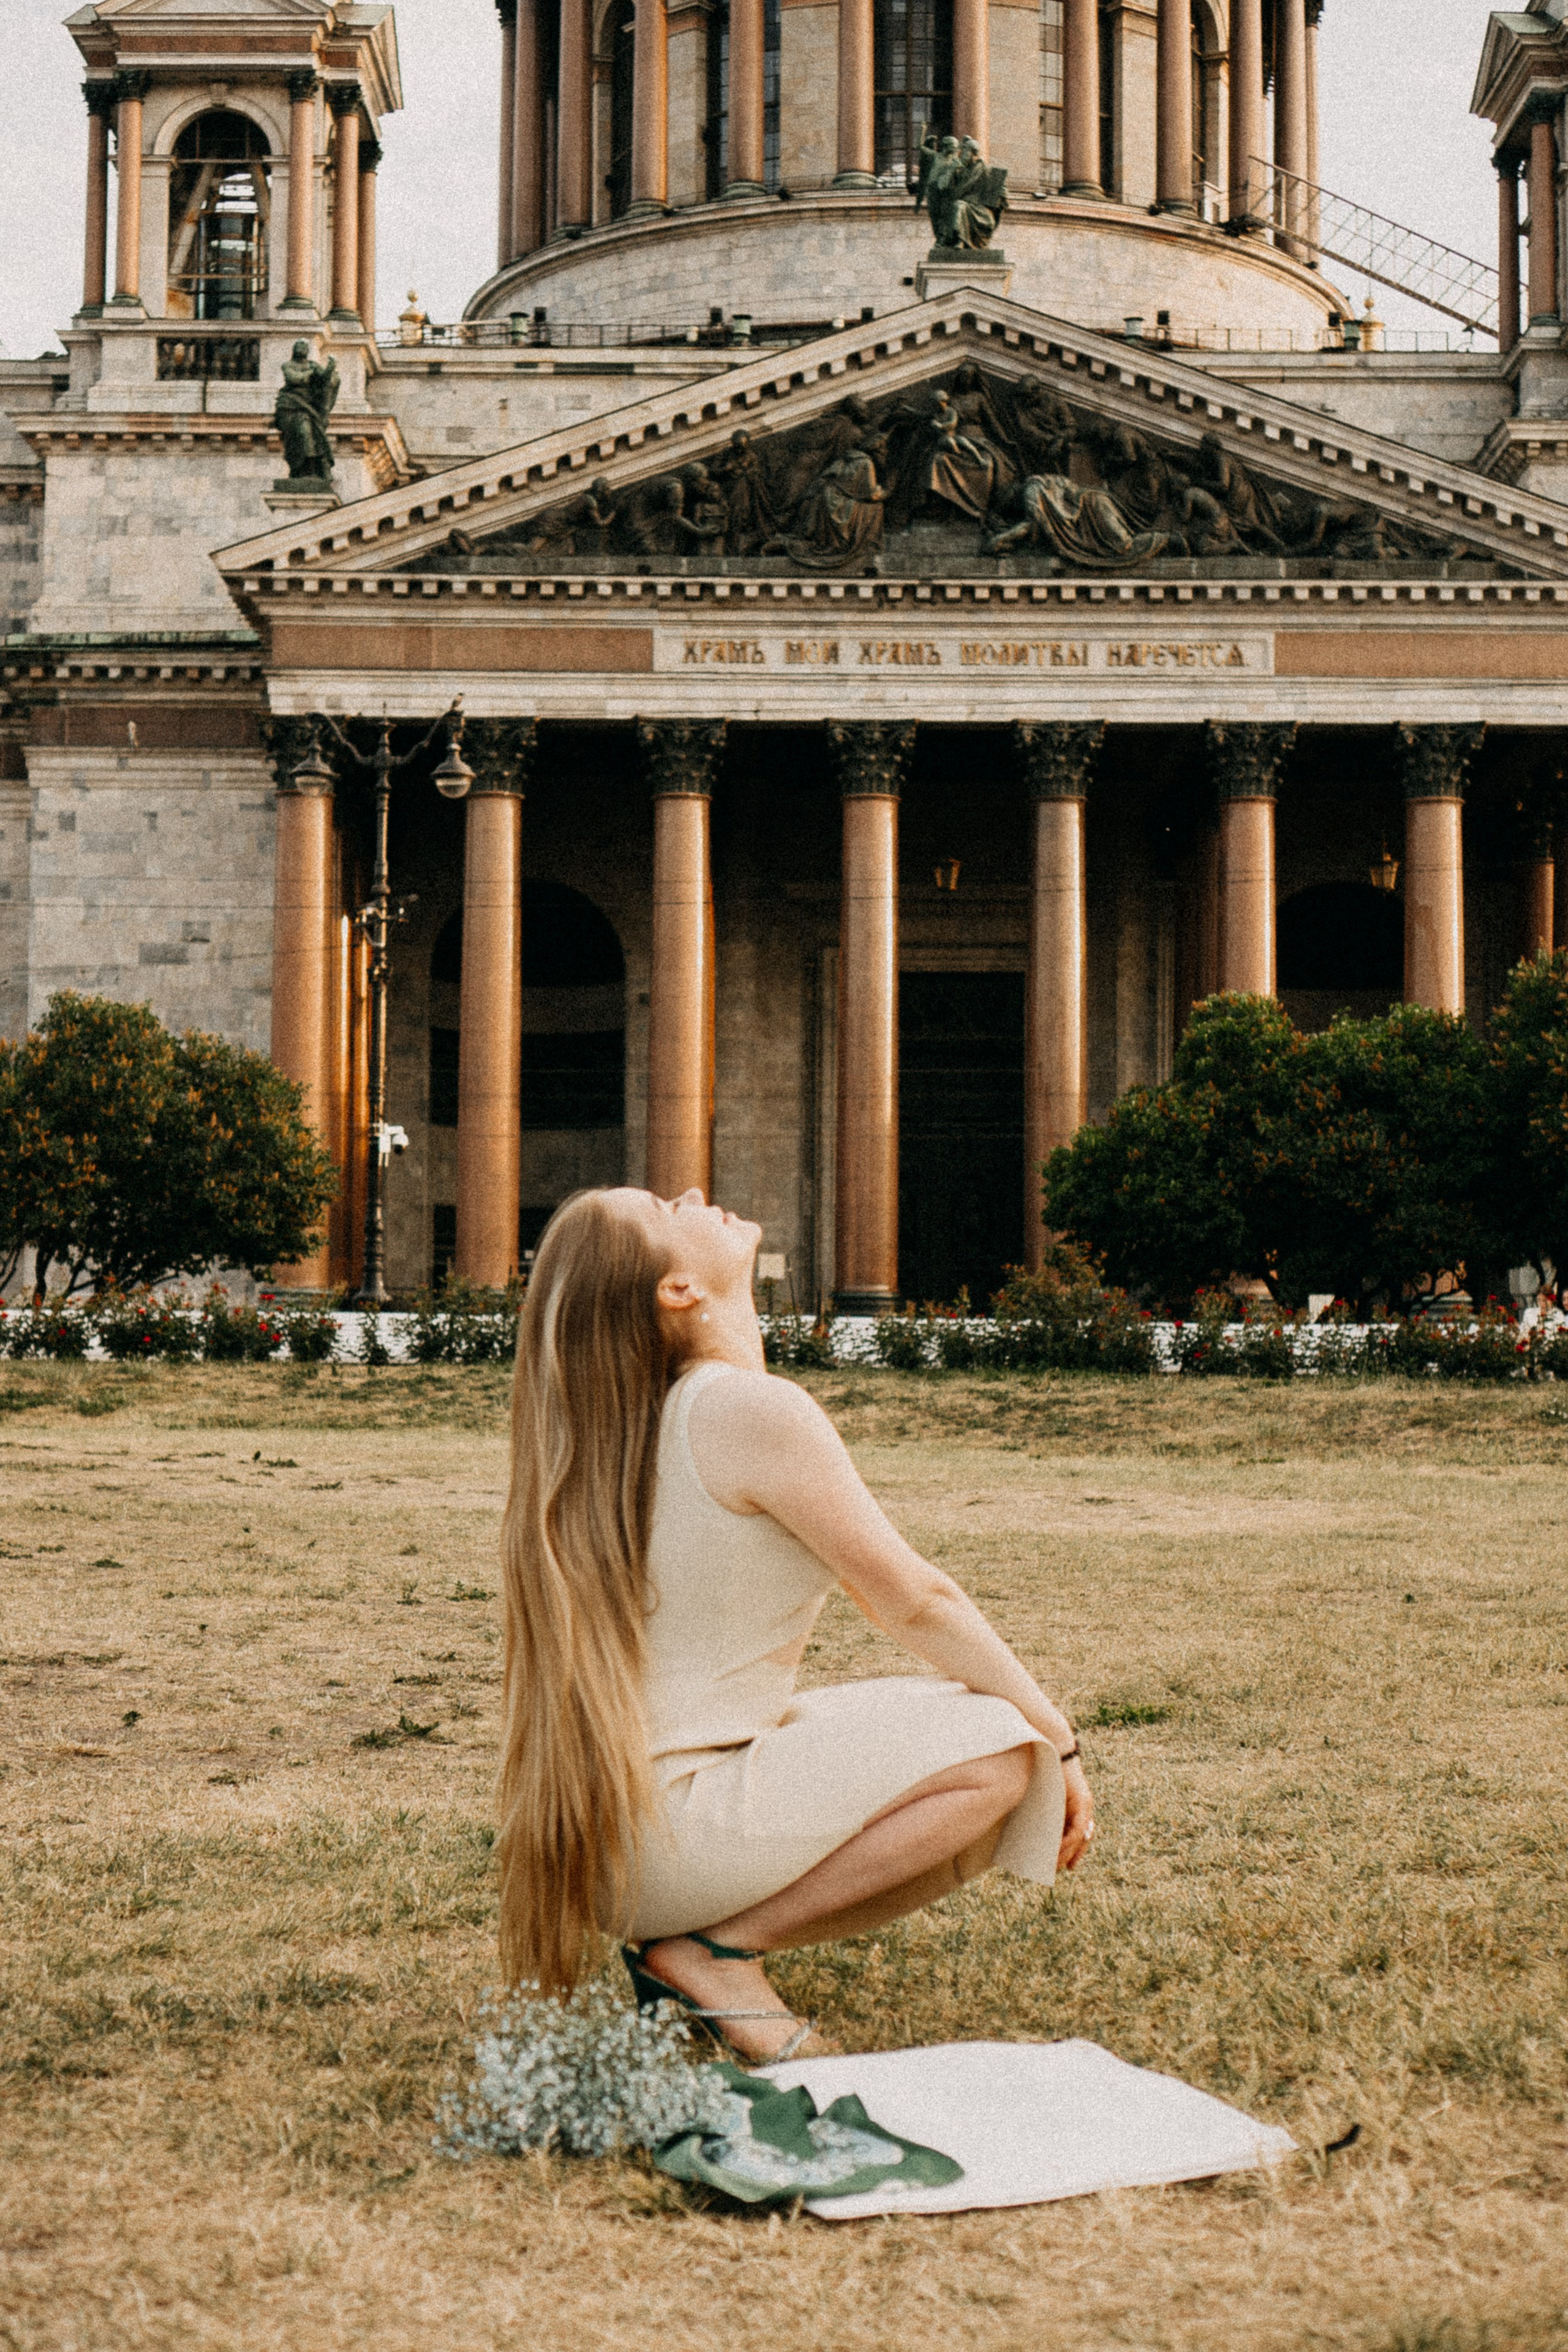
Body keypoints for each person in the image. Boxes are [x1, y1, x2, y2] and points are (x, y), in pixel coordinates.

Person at [496, 1187, 1096, 2064]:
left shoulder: (640, 1423)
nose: (693, 1192)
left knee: (967, 1725)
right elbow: (914, 1600)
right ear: (676, 1290)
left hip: (615, 1840)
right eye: (667, 1207)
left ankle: (701, 1943)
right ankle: (712, 1953)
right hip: (669, 1835)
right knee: (1009, 1754)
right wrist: (1062, 1741)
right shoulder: (746, 1411)